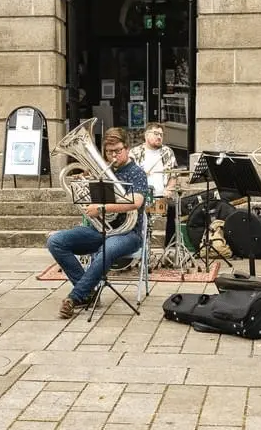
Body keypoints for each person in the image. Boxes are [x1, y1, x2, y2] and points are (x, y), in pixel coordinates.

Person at [47, 127, 147, 319]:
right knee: (56, 242)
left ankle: (75, 297)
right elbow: (90, 201)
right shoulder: (100, 171)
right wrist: (84, 184)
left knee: (107, 249)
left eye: (118, 150)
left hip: (128, 233)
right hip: (99, 228)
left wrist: (101, 208)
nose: (114, 155)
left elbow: (136, 202)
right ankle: (89, 293)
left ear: (127, 148)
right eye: (110, 152)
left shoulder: (137, 173)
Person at [130, 122, 179, 244]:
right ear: (146, 135)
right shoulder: (135, 152)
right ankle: (138, 247)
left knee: (174, 208)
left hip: (161, 196)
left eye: (161, 135)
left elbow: (174, 174)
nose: (159, 137)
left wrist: (169, 188)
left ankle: (169, 248)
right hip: (140, 197)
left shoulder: (167, 152)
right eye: (156, 134)